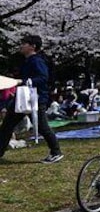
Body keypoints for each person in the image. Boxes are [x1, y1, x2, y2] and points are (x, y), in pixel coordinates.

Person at [0, 35, 64, 163]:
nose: (21, 46)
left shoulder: (37, 61)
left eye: (24, 43)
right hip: (23, 98)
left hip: (35, 99)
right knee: (7, 125)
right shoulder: (29, 60)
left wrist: (21, 81)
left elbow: (42, 78)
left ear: (32, 46)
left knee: (42, 127)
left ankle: (56, 152)